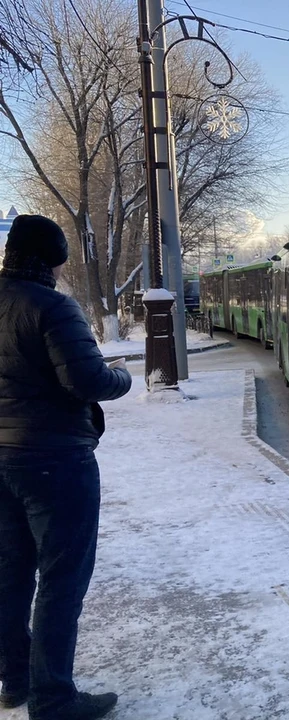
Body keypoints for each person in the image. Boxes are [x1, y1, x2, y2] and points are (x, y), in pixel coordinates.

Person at [0, 215, 132, 720]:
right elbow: (88, 381)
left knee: (11, 573)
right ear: (54, 260)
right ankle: (54, 698)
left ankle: (15, 680)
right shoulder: (53, 306)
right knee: (61, 578)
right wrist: (120, 376)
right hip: (54, 460)